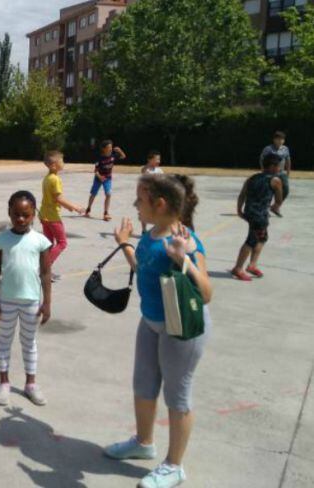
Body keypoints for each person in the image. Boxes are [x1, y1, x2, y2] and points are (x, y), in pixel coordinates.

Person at [106, 174, 213, 488]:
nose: (136, 205)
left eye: (140, 200)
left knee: (177, 396)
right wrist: (125, 243)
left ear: (160, 204)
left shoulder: (186, 240)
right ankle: (143, 442)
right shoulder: (151, 234)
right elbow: (144, 269)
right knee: (143, 384)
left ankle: (174, 466)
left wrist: (185, 261)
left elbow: (206, 293)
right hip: (151, 321)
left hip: (182, 328)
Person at [0, 191, 51, 407]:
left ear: (34, 214)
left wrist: (47, 303)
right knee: (4, 341)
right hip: (6, 300)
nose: (21, 219)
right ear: (9, 213)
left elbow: (45, 273)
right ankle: (4, 383)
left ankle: (30, 384)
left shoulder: (40, 241)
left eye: (26, 215)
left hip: (31, 302)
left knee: (29, 342)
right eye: (16, 214)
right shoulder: (0, 240)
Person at [231, 153, 284, 281]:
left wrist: (239, 210)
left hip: (250, 212)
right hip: (259, 216)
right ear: (272, 166)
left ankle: (252, 265)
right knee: (252, 241)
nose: (280, 169)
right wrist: (275, 206)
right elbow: (279, 199)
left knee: (263, 238)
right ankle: (238, 268)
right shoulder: (275, 180)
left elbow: (242, 195)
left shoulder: (252, 178)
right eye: (279, 166)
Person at [39, 150, 84, 281]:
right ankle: (44, 269)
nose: (63, 163)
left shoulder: (47, 178)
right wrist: (74, 207)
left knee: (48, 244)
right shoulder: (55, 179)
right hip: (53, 217)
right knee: (62, 243)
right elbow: (59, 199)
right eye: (61, 161)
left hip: (44, 215)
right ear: (53, 165)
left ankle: (45, 270)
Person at [85, 140, 126, 221]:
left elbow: (123, 156)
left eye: (111, 147)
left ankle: (106, 213)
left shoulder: (113, 156)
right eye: (109, 147)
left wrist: (120, 151)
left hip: (108, 178)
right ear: (104, 149)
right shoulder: (99, 158)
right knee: (93, 194)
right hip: (98, 178)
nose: (111, 149)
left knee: (108, 194)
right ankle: (88, 208)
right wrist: (99, 177)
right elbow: (95, 171)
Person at [259, 131, 291, 216]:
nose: (280, 141)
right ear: (274, 140)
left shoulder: (285, 149)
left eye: (282, 139)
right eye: (278, 139)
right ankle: (265, 209)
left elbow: (288, 161)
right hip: (270, 173)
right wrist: (263, 170)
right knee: (269, 191)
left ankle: (275, 207)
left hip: (281, 173)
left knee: (286, 190)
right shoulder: (268, 149)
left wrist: (288, 172)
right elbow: (261, 159)